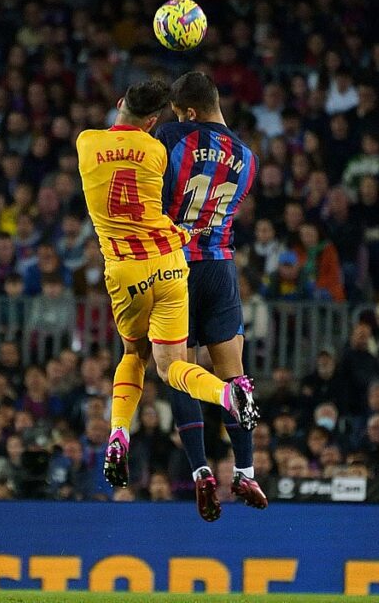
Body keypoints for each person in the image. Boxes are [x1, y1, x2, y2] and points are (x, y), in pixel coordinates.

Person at [75, 78, 258, 490]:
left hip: (138, 265)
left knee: (148, 360)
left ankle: (179, 460)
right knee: (218, 368)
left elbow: (155, 191)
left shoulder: (97, 142)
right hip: (207, 261)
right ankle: (244, 464)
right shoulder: (247, 157)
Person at [155, 71, 268, 521]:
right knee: (233, 375)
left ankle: (202, 470)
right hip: (221, 267)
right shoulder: (248, 157)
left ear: (188, 111)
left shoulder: (173, 136)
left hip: (177, 267)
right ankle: (246, 470)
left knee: (179, 370)